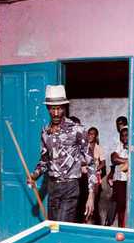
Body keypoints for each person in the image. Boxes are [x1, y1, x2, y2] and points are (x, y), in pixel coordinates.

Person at [28, 85, 95, 222]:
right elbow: (45, 161)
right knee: (53, 227)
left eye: (59, 108)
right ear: (47, 108)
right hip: (53, 188)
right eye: (53, 108)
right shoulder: (45, 132)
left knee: (62, 227)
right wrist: (34, 174)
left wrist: (91, 195)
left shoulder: (77, 130)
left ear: (64, 107)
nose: (56, 112)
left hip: (70, 187)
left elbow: (91, 163)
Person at [77, 126, 106, 224]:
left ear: (96, 136)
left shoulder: (99, 148)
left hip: (95, 177)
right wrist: (89, 164)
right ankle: (83, 220)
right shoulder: (83, 148)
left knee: (94, 199)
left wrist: (94, 168)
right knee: (83, 199)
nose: (90, 136)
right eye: (88, 134)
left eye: (92, 134)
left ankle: (92, 221)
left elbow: (103, 163)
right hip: (83, 177)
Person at [105, 116, 128, 225]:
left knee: (124, 206)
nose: (120, 126)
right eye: (118, 124)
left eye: (122, 123)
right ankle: (116, 226)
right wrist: (127, 161)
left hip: (127, 180)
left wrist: (122, 161)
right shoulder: (119, 143)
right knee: (118, 205)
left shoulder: (132, 140)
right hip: (119, 179)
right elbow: (114, 158)